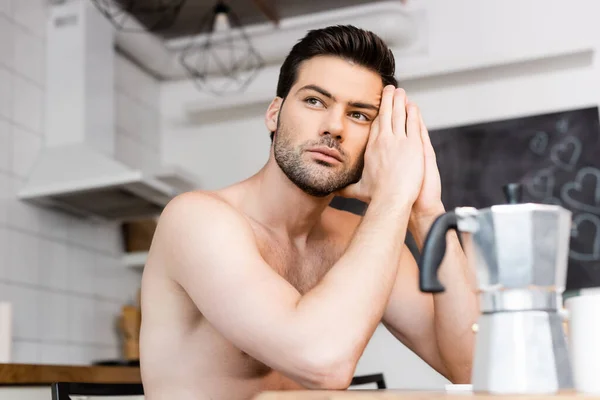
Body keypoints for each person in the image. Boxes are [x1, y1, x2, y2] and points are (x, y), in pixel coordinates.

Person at [139, 25, 479, 400]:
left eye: (360, 115)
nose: (334, 127)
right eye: (315, 101)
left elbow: (476, 368)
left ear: (375, 140)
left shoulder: (357, 236)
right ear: (274, 113)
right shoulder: (196, 219)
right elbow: (322, 362)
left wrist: (426, 210)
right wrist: (391, 198)